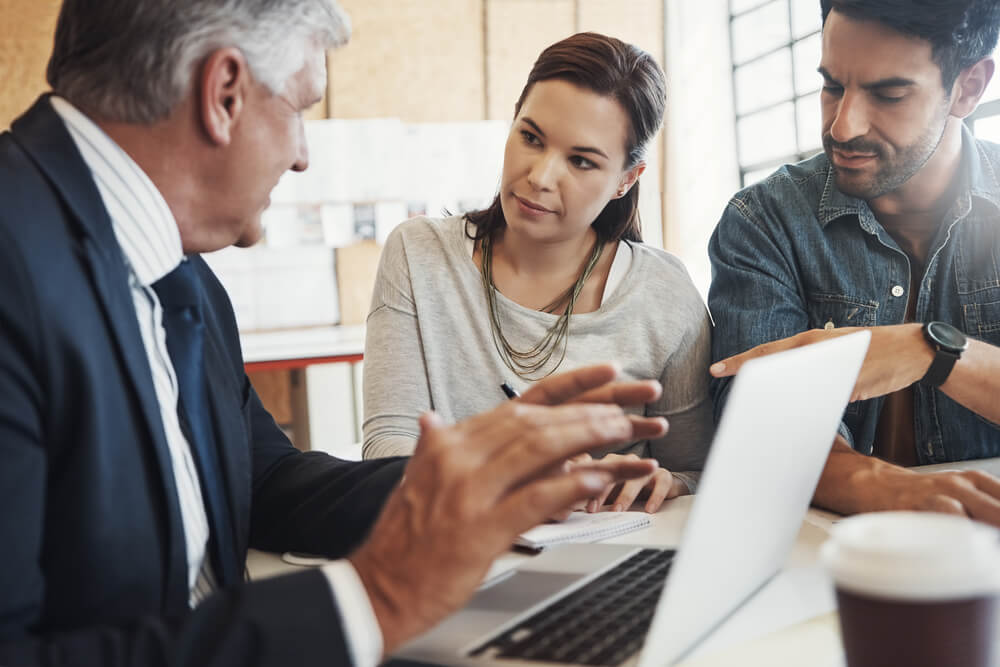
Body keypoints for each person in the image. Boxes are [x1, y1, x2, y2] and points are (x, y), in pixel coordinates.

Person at [0, 1, 673, 664]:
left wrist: (479, 478)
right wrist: (371, 599)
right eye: (300, 109)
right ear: (224, 94)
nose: (301, 156)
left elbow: (263, 481)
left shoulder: (184, 278)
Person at [362, 33, 714, 514]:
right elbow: (388, 447)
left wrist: (668, 483)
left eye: (581, 161)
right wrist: (505, 478)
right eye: (531, 138)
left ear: (625, 180)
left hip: (613, 556)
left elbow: (695, 470)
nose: (541, 176)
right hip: (462, 550)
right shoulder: (419, 254)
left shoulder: (664, 295)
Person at [708, 0, 1000, 527]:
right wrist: (886, 488)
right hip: (828, 549)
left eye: (888, 94)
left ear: (969, 87)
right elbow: (757, 432)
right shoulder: (763, 220)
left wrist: (932, 353)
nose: (843, 127)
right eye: (832, 86)